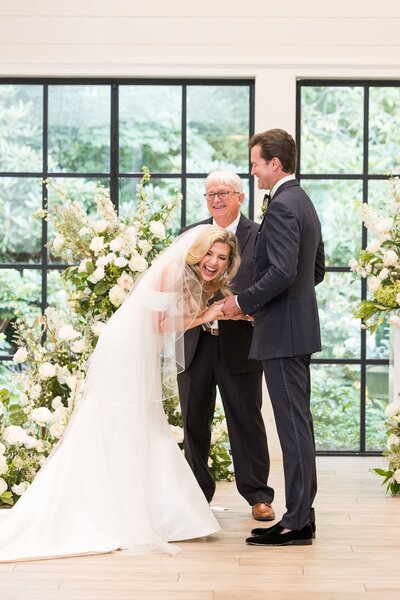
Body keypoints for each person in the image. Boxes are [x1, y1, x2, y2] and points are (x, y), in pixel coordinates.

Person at [0, 225, 240, 562]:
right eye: (210, 254)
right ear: (197, 251)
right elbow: (159, 323)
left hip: (140, 348)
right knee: (118, 422)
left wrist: (223, 311)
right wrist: (208, 314)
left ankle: (163, 511)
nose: (214, 262)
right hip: (126, 348)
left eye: (222, 258)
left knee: (142, 425)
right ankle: (111, 507)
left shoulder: (197, 277)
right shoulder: (173, 268)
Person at [219, 129, 325, 546]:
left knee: (293, 428)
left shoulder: (282, 206)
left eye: (256, 164)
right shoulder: (303, 202)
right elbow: (313, 270)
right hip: (297, 329)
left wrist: (242, 301)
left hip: (282, 333)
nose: (253, 171)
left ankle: (296, 523)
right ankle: (303, 515)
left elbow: (282, 272)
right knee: (299, 426)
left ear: (274, 164)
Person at [177, 170, 274, 521]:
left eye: (224, 192)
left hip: (242, 343)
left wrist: (251, 309)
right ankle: (196, 497)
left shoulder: (260, 234)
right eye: (210, 194)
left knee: (246, 420)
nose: (216, 199)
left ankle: (258, 496)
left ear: (240, 197)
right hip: (195, 342)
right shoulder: (191, 235)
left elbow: (271, 282)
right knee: (194, 422)